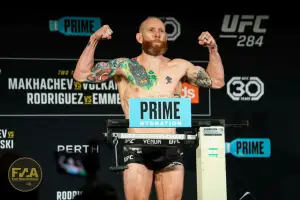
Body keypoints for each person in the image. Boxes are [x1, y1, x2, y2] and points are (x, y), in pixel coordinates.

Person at [73, 17, 225, 200]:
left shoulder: (179, 66)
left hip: (170, 146)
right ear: (139, 37)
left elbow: (216, 81)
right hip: (136, 146)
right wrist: (94, 39)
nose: (157, 34)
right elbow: (81, 75)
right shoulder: (124, 66)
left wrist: (213, 49)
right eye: (151, 30)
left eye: (161, 30)